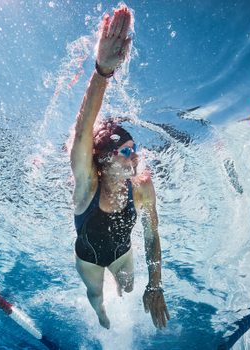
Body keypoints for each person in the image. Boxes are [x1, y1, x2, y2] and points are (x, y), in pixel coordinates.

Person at [70, 5, 170, 330]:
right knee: (96, 294)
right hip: (88, 258)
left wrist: (155, 284)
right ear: (105, 158)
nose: (135, 156)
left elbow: (152, 238)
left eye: (135, 149)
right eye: (126, 151)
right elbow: (83, 133)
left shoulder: (141, 186)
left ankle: (121, 290)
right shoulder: (87, 185)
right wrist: (102, 72)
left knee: (127, 287)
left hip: (122, 253)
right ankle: (100, 313)